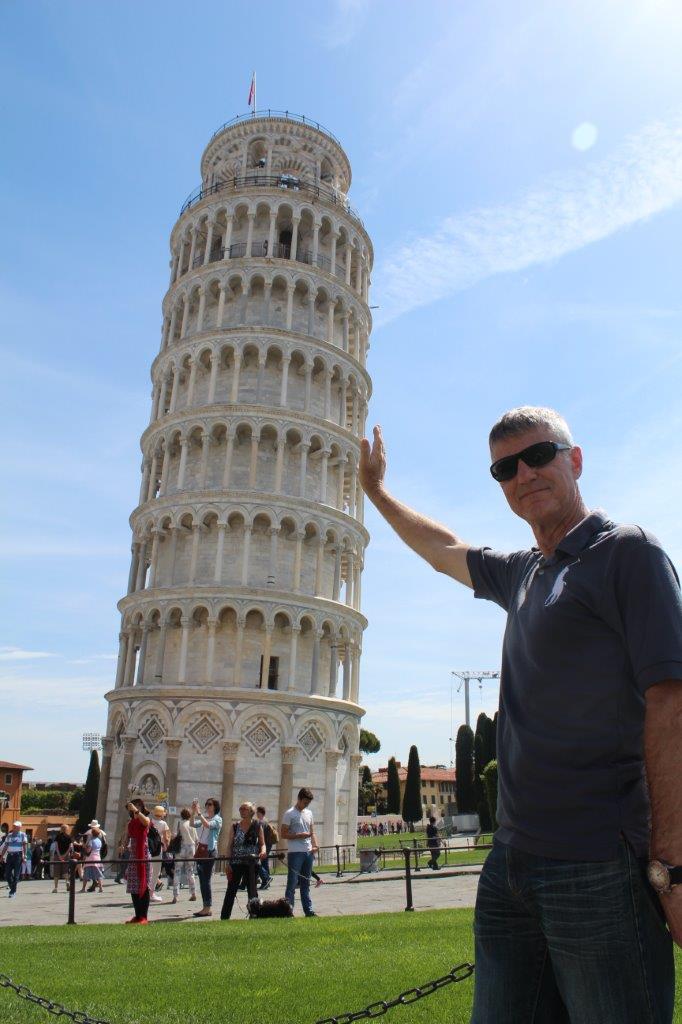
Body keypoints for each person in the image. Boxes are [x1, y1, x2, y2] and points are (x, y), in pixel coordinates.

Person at [359, 408, 682, 1023]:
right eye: (505, 467)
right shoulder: (525, 572)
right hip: (511, 862)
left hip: (598, 862)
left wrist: (672, 864)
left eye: (539, 455)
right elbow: (443, 549)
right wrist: (376, 490)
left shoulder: (628, 554)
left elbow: (671, 703)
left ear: (576, 459)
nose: (524, 474)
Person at [220, 802, 266, 920]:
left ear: (251, 811)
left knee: (252, 891)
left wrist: (263, 851)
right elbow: (230, 845)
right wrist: (228, 863)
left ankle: (254, 915)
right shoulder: (235, 826)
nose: (241, 811)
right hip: (236, 862)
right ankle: (224, 917)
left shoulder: (257, 825)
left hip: (252, 863)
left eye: (244, 809)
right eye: (240, 809)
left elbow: (262, 844)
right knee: (231, 890)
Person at [282, 787, 318, 917]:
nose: (306, 805)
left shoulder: (309, 813)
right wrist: (298, 835)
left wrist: (315, 845)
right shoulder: (289, 814)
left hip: (308, 852)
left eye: (308, 803)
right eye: (305, 802)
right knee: (292, 883)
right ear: (299, 799)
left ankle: (308, 910)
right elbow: (283, 834)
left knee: (306, 883)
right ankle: (288, 910)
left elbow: (312, 832)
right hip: (295, 852)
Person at [191, 797, 222, 918]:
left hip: (209, 851)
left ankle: (207, 907)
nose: (207, 806)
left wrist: (199, 813)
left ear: (215, 807)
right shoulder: (206, 817)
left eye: (210, 804)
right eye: (206, 804)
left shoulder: (217, 819)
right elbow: (192, 824)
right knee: (202, 880)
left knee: (206, 880)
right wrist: (193, 812)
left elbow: (208, 825)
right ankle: (205, 907)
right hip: (201, 850)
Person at [125, 798, 151, 924]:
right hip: (133, 855)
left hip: (143, 855)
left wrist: (136, 811)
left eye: (138, 805)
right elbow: (128, 835)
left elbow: (146, 822)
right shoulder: (131, 822)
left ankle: (143, 916)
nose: (135, 807)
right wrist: (123, 845)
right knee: (133, 885)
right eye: (134, 805)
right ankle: (137, 915)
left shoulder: (144, 819)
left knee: (143, 885)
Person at [171, 807, 198, 905]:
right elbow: (196, 840)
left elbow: (174, 835)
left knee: (177, 871)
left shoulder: (179, 823)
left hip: (181, 848)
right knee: (190, 871)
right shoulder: (192, 824)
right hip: (191, 848)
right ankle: (193, 893)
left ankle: (175, 896)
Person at [148, 805, 170, 902]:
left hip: (148, 848)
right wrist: (166, 847)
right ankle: (151, 894)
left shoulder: (149, 821)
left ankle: (146, 892)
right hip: (157, 849)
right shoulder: (163, 823)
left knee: (149, 870)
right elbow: (165, 838)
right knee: (156, 872)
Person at [0, 822, 27, 898]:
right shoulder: (9, 835)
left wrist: (24, 856)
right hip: (10, 855)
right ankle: (13, 888)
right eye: (14, 826)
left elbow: (25, 846)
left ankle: (12, 892)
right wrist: (2, 856)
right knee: (7, 874)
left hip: (18, 856)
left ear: (19, 827)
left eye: (16, 826)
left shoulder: (22, 835)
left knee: (16, 875)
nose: (14, 827)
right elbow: (5, 846)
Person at [255, 805, 276, 890]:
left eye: (257, 812)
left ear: (260, 813)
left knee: (258, 862)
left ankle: (266, 878)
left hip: (263, 845)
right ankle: (266, 881)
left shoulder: (261, 822)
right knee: (264, 862)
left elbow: (259, 835)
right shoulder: (267, 821)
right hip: (268, 844)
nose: (256, 814)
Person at [81, 821, 104, 893]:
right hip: (98, 858)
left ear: (92, 833)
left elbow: (88, 851)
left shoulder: (91, 841)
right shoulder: (99, 841)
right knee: (98, 875)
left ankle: (83, 888)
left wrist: (84, 847)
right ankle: (101, 888)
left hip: (90, 859)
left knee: (86, 875)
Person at [51, 824, 72, 893]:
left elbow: (56, 847)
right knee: (65, 871)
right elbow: (70, 847)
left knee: (56, 872)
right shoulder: (69, 837)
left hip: (57, 855)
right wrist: (65, 855)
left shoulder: (58, 836)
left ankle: (56, 888)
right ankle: (67, 882)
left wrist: (60, 856)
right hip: (66, 856)